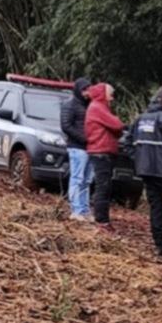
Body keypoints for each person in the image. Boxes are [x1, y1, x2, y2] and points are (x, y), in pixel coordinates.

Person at [129, 87, 162, 258]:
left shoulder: (140, 119)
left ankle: (159, 245)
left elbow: (127, 143)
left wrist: (138, 159)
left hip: (146, 171)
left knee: (155, 208)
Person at [83, 83, 125, 231]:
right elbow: (117, 125)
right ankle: (101, 219)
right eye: (110, 93)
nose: (112, 97)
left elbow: (116, 128)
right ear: (103, 94)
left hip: (102, 150)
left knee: (104, 185)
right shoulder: (98, 108)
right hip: (101, 151)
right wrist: (117, 122)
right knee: (103, 186)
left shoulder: (99, 107)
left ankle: (101, 217)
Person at [59, 77, 93, 221]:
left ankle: (84, 209)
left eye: (88, 89)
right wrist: (84, 139)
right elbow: (66, 126)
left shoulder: (89, 105)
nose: (87, 93)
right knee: (77, 178)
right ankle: (75, 209)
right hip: (77, 147)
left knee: (87, 180)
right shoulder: (70, 105)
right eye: (84, 90)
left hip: (90, 147)